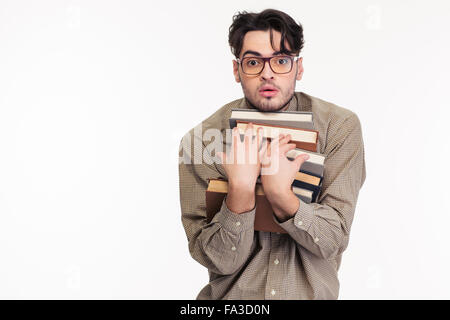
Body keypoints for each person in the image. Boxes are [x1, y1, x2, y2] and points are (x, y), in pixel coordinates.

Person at [178, 8, 366, 300]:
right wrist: (240, 191)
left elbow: (332, 240)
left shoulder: (339, 127)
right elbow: (217, 260)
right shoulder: (200, 141)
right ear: (236, 70)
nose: (267, 73)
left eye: (281, 60)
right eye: (253, 62)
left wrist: (282, 197)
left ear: (298, 67)